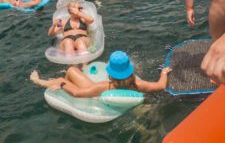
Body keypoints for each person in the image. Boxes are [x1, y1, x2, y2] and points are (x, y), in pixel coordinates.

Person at [30, 50, 170, 97]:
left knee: (69, 72)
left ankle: (38, 81)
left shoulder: (104, 86)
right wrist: (164, 72)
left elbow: (77, 94)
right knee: (71, 73)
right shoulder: (139, 85)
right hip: (110, 99)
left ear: (110, 75)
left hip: (93, 97)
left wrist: (62, 85)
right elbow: (161, 85)